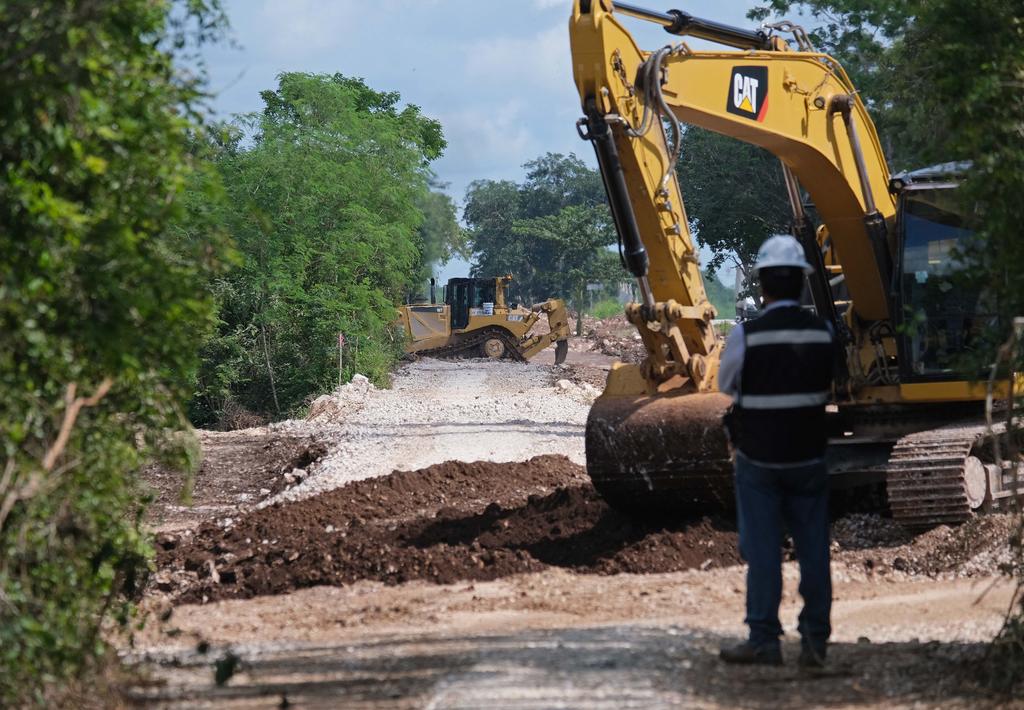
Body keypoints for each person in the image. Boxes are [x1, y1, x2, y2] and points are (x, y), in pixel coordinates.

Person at [717, 234, 836, 668]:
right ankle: (815, 642)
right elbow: (829, 383)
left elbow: (726, 386)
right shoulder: (824, 333)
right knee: (814, 550)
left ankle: (765, 640)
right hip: (809, 458)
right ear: (803, 284)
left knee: (763, 551)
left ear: (762, 283)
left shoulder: (745, 336)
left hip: (759, 462)